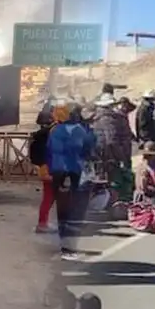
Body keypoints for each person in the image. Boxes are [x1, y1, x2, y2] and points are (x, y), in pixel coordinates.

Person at [48, 102, 95, 259]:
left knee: (62, 211)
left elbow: (49, 150)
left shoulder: (56, 130)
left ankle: (64, 246)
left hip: (57, 172)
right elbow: (89, 150)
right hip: (73, 172)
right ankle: (68, 248)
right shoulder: (80, 131)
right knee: (74, 212)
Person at [30, 107, 57, 233]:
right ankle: (42, 224)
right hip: (50, 168)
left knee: (49, 197)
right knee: (50, 197)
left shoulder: (38, 137)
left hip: (43, 168)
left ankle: (43, 222)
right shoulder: (48, 136)